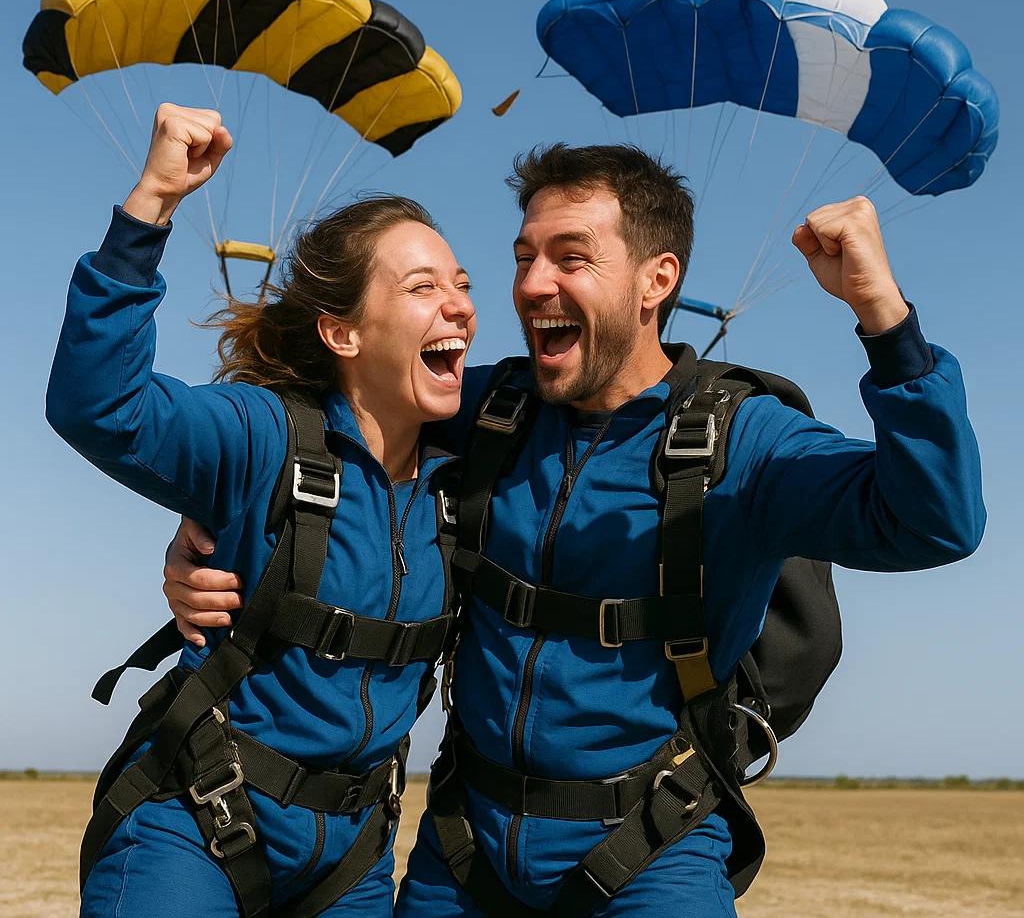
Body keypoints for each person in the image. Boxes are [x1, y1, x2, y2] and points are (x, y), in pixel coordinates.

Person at [163, 144, 985, 917]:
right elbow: (332, 423)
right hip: (465, 859)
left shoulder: (745, 440)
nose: (531, 284)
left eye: (571, 257)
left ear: (656, 280)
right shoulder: (489, 410)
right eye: (524, 258)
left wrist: (884, 318)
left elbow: (934, 522)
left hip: (651, 851)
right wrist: (209, 533)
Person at [46, 103, 476, 917]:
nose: (459, 304)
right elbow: (101, 407)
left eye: (462, 285)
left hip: (349, 860)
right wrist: (152, 206)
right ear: (341, 335)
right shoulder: (261, 435)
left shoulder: (474, 467)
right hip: (193, 825)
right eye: (423, 287)